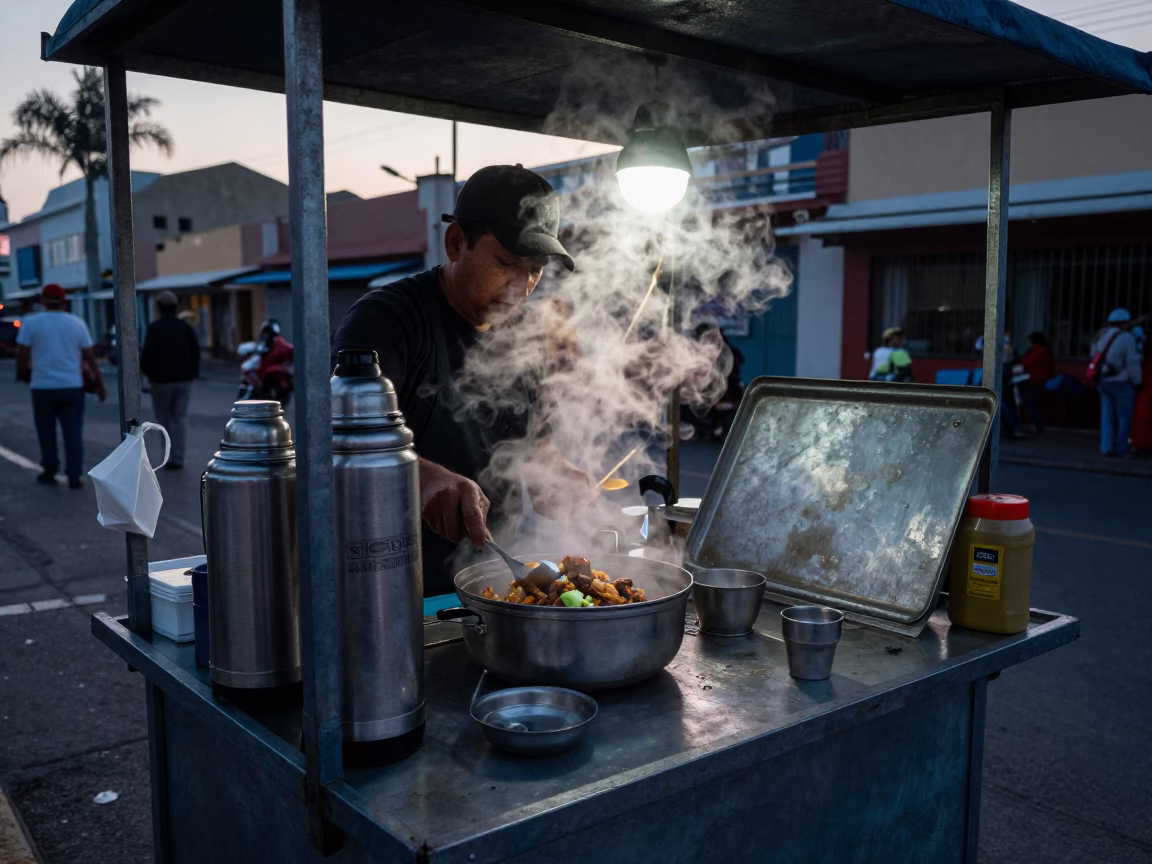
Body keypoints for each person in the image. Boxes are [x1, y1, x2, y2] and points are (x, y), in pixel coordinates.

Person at [331, 164, 587, 596]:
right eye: (507, 263)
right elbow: (332, 442)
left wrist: (556, 477)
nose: (522, 287)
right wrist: (426, 478)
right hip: (384, 585)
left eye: (536, 269)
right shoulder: (387, 320)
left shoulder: (528, 339)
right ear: (455, 243)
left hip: (494, 583)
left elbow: (534, 445)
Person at [14, 283, 106, 489]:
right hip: (72, 386)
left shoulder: (31, 323)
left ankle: (50, 469)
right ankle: (74, 475)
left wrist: (22, 373)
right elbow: (90, 357)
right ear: (64, 301)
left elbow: (22, 354)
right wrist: (100, 385)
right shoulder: (77, 323)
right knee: (73, 432)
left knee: (46, 431)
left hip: (42, 387)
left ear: (43, 301)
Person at [140, 290, 201, 470]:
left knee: (164, 418)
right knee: (180, 418)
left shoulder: (155, 328)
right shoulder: (186, 327)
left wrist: (148, 375)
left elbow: (148, 355)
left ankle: (168, 456)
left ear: (159, 307)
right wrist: (192, 373)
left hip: (161, 381)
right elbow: (195, 352)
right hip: (184, 380)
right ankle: (179, 456)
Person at [1091, 308, 1143, 458]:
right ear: (1124, 323)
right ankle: (1122, 447)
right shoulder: (1126, 338)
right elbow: (1132, 362)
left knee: (1106, 415)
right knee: (1124, 418)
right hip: (1121, 381)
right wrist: (1137, 381)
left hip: (1103, 380)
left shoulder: (1099, 336)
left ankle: (1106, 446)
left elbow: (1093, 357)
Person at [1015, 331, 1055, 434]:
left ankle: (1037, 424)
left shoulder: (1038, 351)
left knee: (1030, 403)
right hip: (1038, 380)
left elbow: (1026, 362)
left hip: (1034, 380)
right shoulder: (1043, 350)